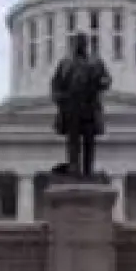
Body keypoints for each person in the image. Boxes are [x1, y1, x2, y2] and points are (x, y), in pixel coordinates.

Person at [51, 31, 112, 177]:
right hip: (72, 107)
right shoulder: (66, 63)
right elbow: (56, 84)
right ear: (74, 45)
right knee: (73, 140)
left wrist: (101, 83)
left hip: (90, 106)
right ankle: (74, 167)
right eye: (78, 43)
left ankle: (88, 169)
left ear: (86, 45)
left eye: (83, 43)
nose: (80, 46)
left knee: (89, 140)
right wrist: (59, 98)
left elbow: (107, 79)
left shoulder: (95, 62)